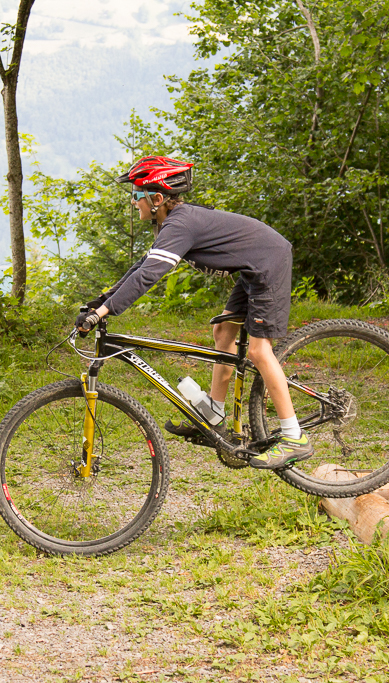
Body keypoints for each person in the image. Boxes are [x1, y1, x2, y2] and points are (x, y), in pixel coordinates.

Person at [75, 156, 312, 469]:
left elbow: (149, 277)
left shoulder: (181, 225)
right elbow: (141, 268)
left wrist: (106, 311)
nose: (134, 203)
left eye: (136, 196)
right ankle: (214, 411)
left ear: (157, 199)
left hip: (268, 264)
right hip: (252, 267)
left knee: (258, 350)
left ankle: (295, 437)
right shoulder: (174, 224)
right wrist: (101, 301)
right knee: (223, 332)